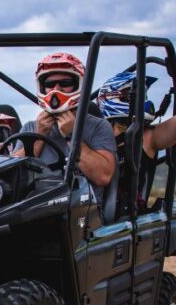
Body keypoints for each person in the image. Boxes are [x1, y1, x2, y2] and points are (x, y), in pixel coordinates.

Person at [97, 42, 176, 206]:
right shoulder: (93, 136)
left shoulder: (147, 138)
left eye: (143, 96)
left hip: (126, 221)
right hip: (92, 217)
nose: (142, 101)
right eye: (133, 96)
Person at [14, 52, 117, 206]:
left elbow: (103, 176)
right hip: (37, 209)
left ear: (78, 85)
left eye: (65, 83)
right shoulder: (30, 128)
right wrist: (38, 136)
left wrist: (71, 135)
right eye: (49, 84)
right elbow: (13, 176)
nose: (56, 89)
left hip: (82, 212)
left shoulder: (98, 126)